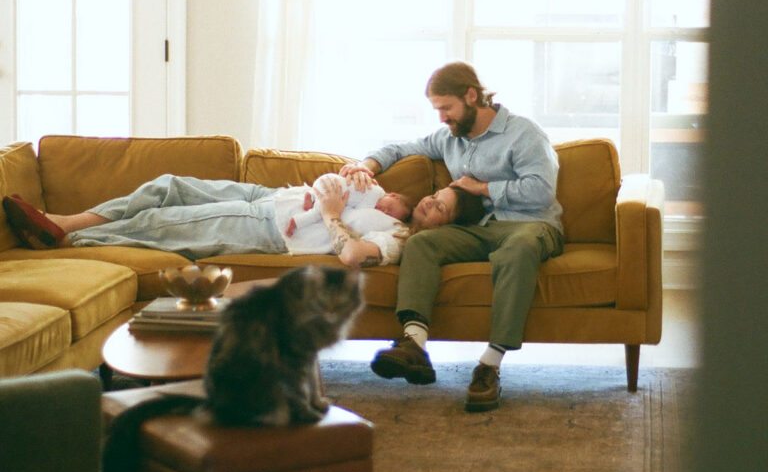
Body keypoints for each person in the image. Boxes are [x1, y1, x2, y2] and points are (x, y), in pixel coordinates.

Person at [339, 60, 563, 412]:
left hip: (531, 225)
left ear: (471, 96)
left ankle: (489, 365)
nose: (442, 118)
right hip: (479, 229)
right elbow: (400, 149)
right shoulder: (449, 138)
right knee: (422, 242)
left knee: (518, 249)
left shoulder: (523, 133)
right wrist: (366, 166)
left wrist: (482, 187)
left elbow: (542, 191)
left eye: (446, 108)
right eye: (437, 110)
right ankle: (414, 345)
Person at [3, 171, 484, 270]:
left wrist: (332, 214)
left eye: (439, 207)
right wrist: (350, 173)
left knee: (159, 223)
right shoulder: (391, 202)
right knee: (168, 186)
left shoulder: (398, 237)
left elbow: (355, 256)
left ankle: (64, 240)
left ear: (448, 228)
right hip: (272, 196)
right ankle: (63, 221)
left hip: (267, 227)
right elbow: (345, 180)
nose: (429, 202)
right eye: (435, 195)